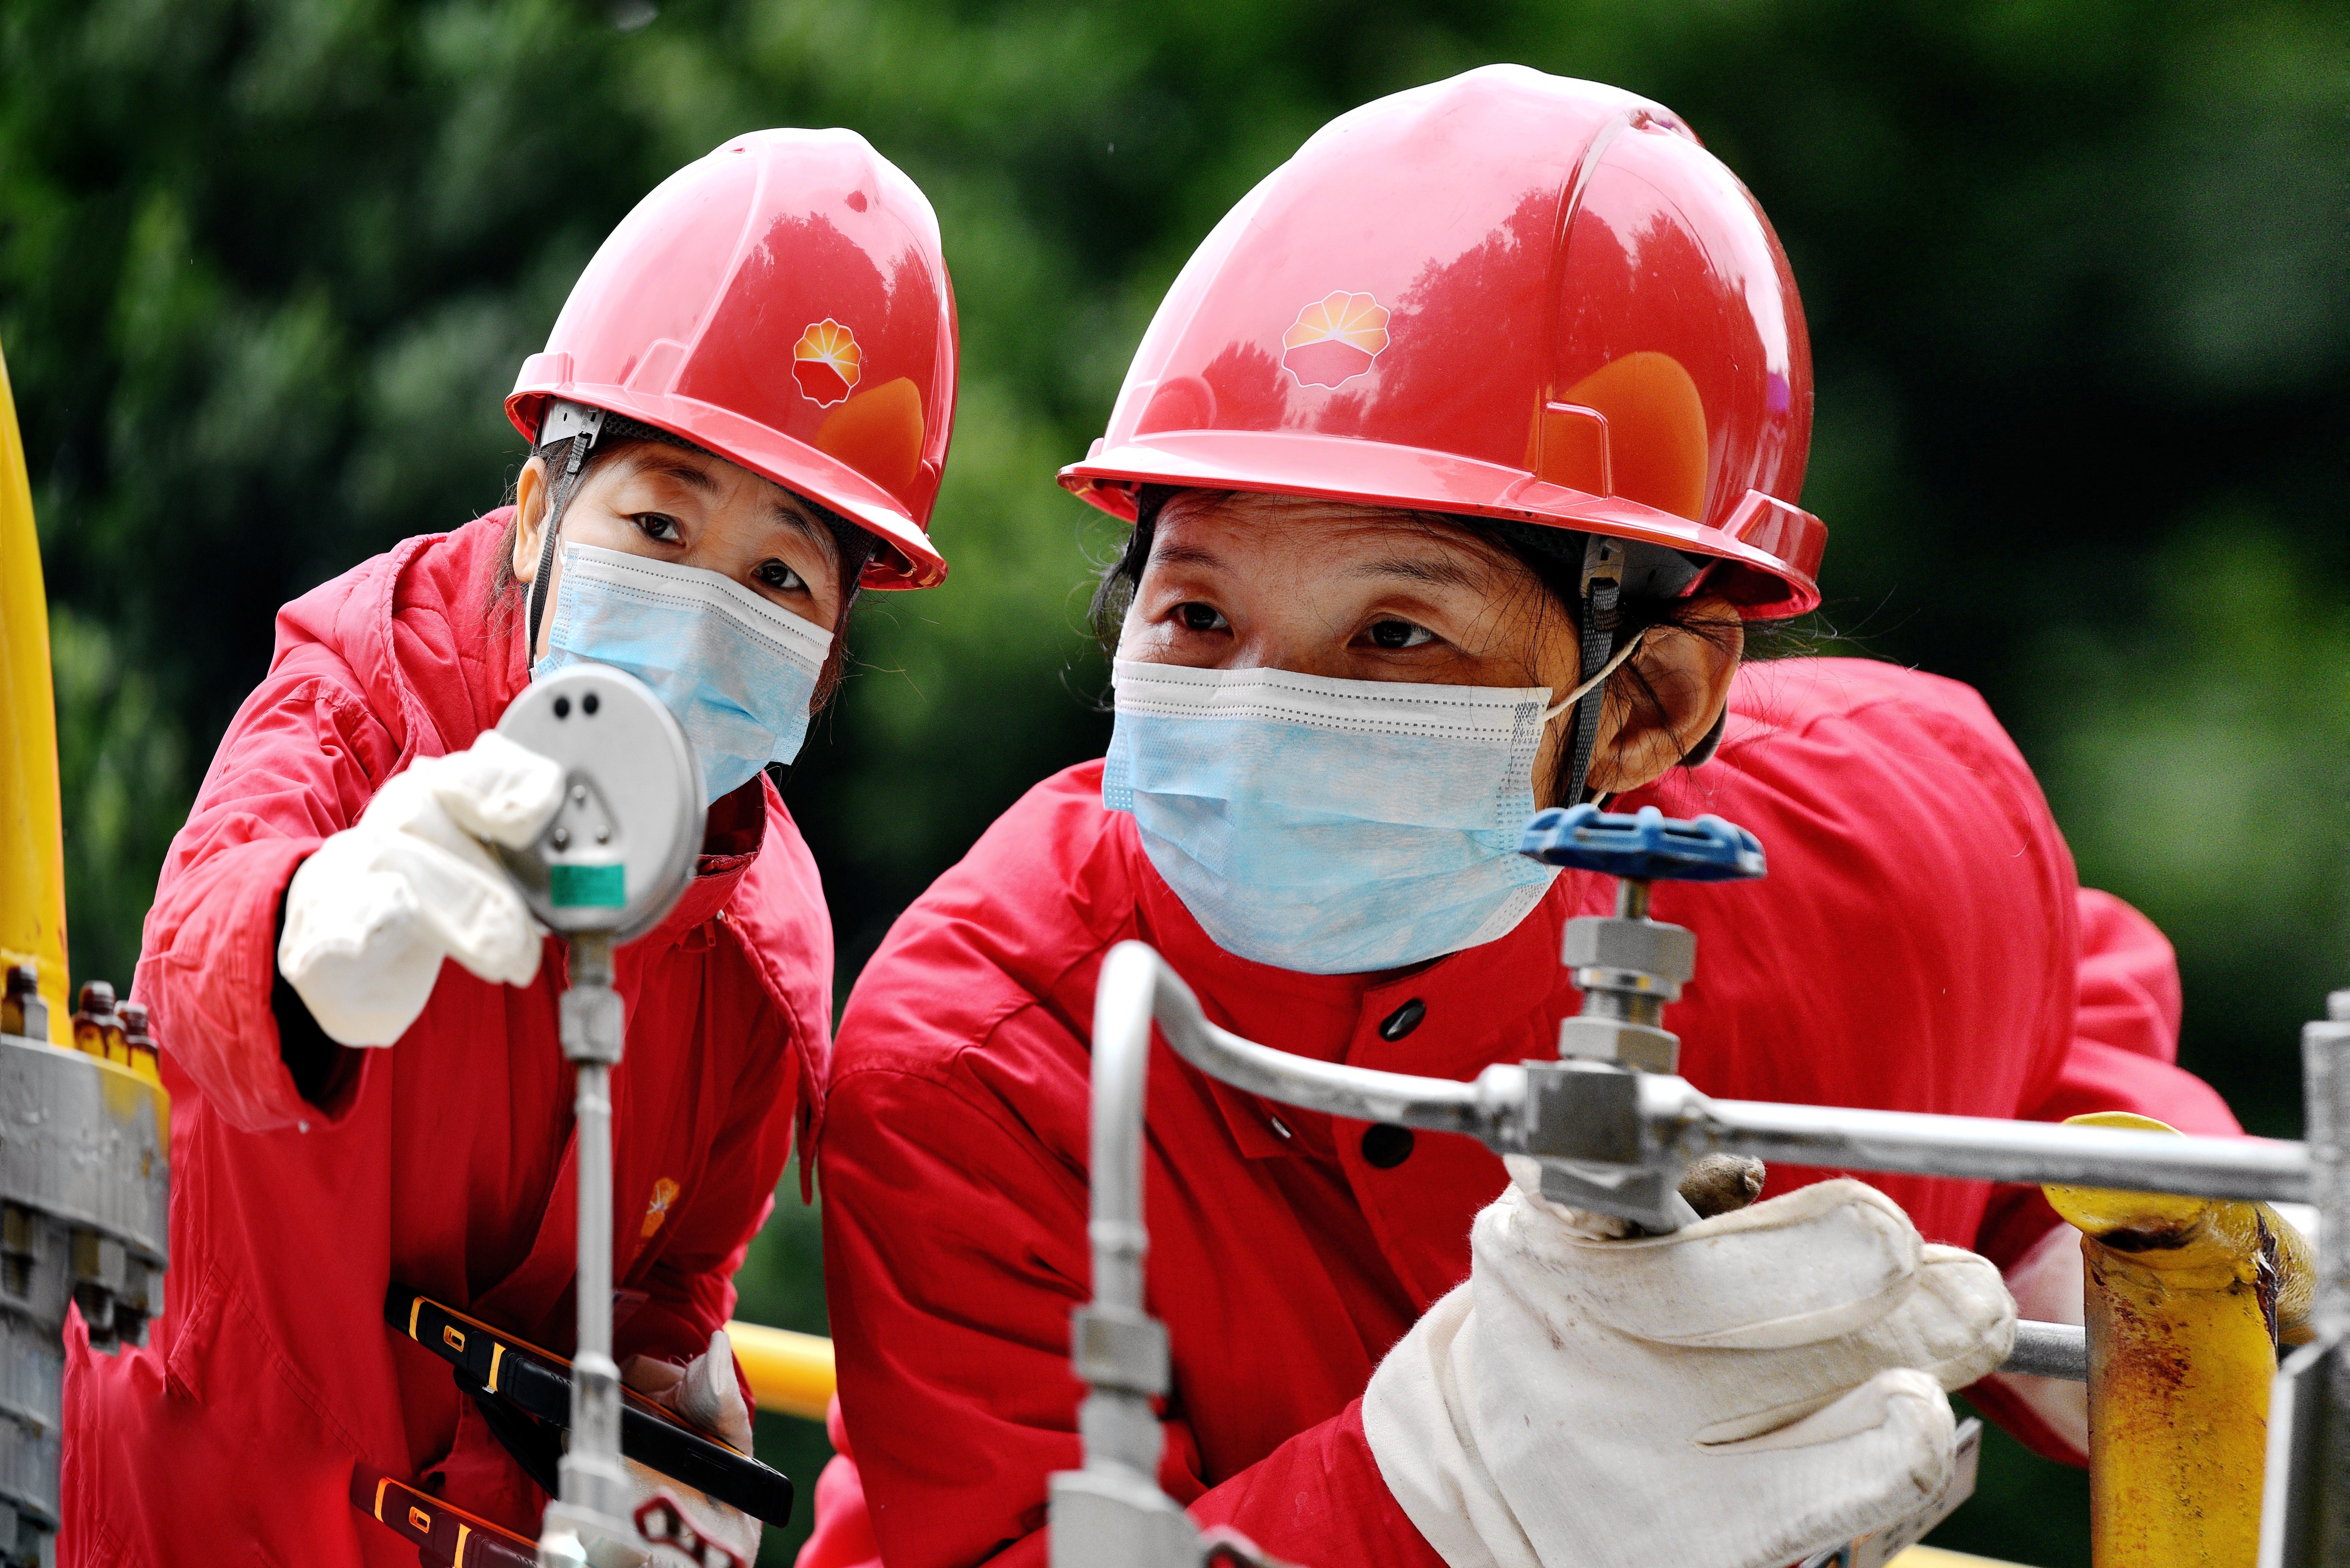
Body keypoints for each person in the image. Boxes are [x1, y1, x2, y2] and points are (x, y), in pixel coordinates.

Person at [805, 69, 2242, 1568]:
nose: (1261, 710)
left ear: (1650, 702)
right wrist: (1443, 1496)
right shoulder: (994, 1062)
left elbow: (2050, 991)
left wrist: (2123, 1242)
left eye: (1398, 635)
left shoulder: (1883, 836)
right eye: (1200, 614)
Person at [61, 128, 958, 1567]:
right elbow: (198, 958)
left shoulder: (770, 945)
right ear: (540, 510)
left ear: (830, 649)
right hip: (196, 1517)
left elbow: (664, 1298)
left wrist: (674, 1432)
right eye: (659, 521)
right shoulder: (360, 690)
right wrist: (315, 931)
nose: (705, 602)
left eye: (781, 575)